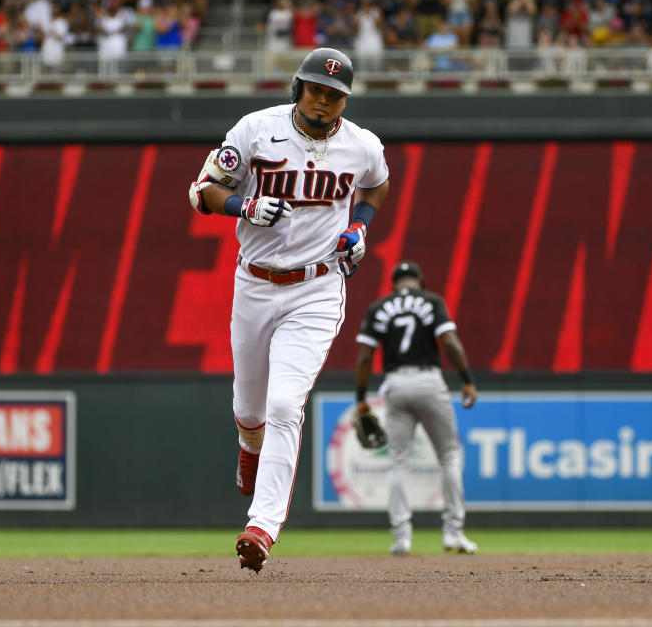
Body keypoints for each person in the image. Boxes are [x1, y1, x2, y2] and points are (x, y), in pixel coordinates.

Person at [187, 47, 390, 573]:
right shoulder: (256, 129)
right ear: (297, 88)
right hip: (254, 283)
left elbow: (377, 182)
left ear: (345, 99)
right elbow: (202, 192)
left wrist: (359, 226)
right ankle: (248, 445)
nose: (323, 102)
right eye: (315, 90)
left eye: (334, 94)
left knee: (284, 405)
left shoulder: (361, 144)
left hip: (318, 288)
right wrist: (244, 205)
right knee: (250, 409)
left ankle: (263, 525)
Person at [353, 260, 478, 556]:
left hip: (395, 383)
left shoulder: (378, 307)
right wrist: (467, 380)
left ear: (395, 283)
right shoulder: (432, 301)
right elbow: (449, 342)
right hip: (428, 380)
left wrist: (360, 396)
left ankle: (402, 538)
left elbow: (365, 358)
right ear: (419, 281)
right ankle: (453, 533)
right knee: (449, 456)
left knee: (398, 462)